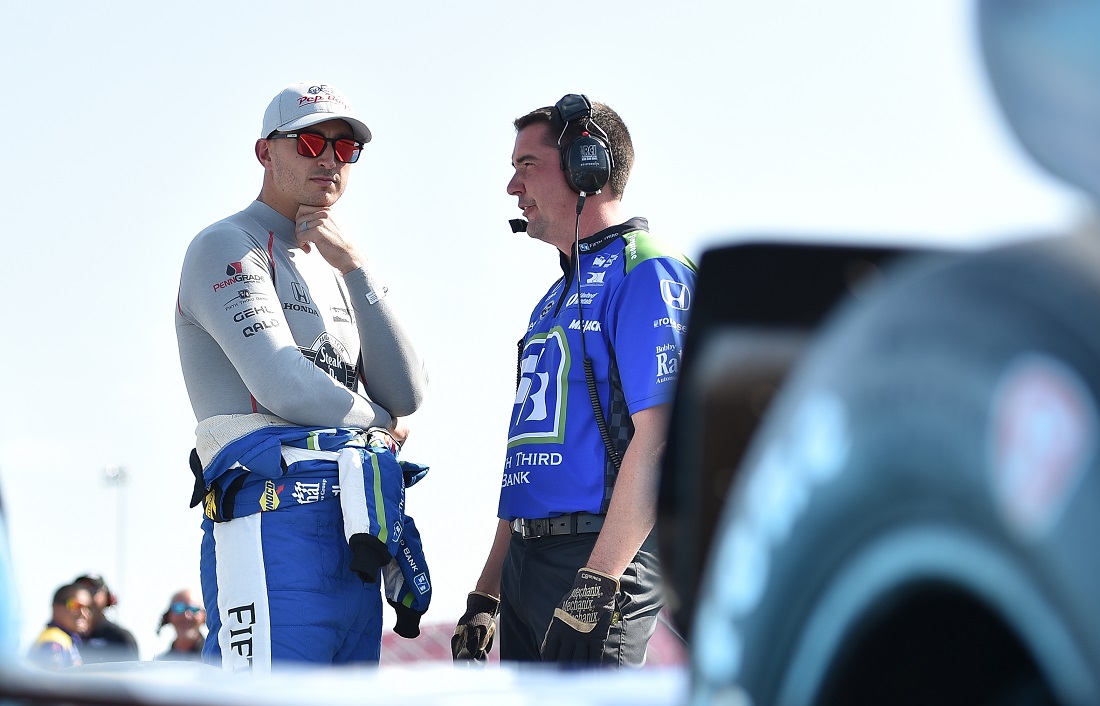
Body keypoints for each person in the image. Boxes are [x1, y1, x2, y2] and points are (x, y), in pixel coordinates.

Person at [176, 80, 431, 672]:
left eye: (346, 150)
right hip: (270, 518)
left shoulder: (338, 263)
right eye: (312, 140)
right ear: (266, 151)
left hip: (353, 523)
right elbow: (283, 384)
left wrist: (358, 268)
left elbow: (409, 390)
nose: (329, 159)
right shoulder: (226, 244)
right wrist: (380, 424)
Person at [452, 95, 697, 666]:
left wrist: (600, 580)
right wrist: (488, 592)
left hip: (598, 559)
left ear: (589, 165)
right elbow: (530, 464)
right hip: (527, 566)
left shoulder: (649, 268)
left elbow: (661, 436)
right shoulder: (550, 299)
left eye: (527, 165)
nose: (513, 187)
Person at [73, 573, 139, 664]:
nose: (85, 598)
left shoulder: (119, 638)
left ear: (108, 597)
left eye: (92, 591)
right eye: (81, 591)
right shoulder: (62, 637)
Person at [28, 583, 93, 669]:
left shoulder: (66, 639)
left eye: (88, 608)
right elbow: (49, 680)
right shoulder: (53, 641)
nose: (83, 613)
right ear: (55, 607)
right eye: (75, 605)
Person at [155, 588, 208, 662]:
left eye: (194, 609)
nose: (186, 616)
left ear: (204, 616)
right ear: (168, 616)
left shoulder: (217, 658)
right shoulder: (160, 663)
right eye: (179, 608)